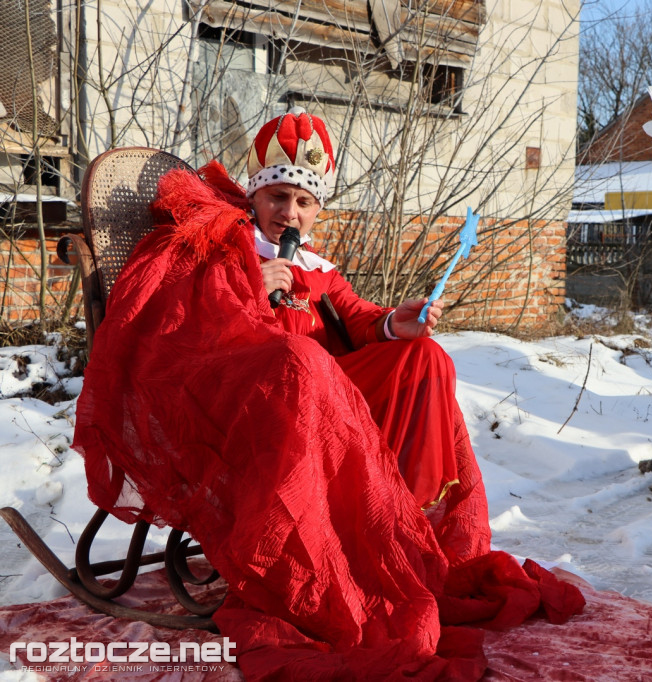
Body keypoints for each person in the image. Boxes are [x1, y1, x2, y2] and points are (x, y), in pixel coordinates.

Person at [72, 108, 583, 681]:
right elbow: (182, 326)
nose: (288, 213)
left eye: (302, 203)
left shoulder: (316, 266)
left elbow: (360, 320)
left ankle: (394, 540)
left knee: (425, 359)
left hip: (322, 398)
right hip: (239, 403)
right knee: (300, 360)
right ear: (256, 198)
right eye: (278, 198)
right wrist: (248, 287)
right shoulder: (224, 247)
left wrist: (398, 323)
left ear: (317, 210)